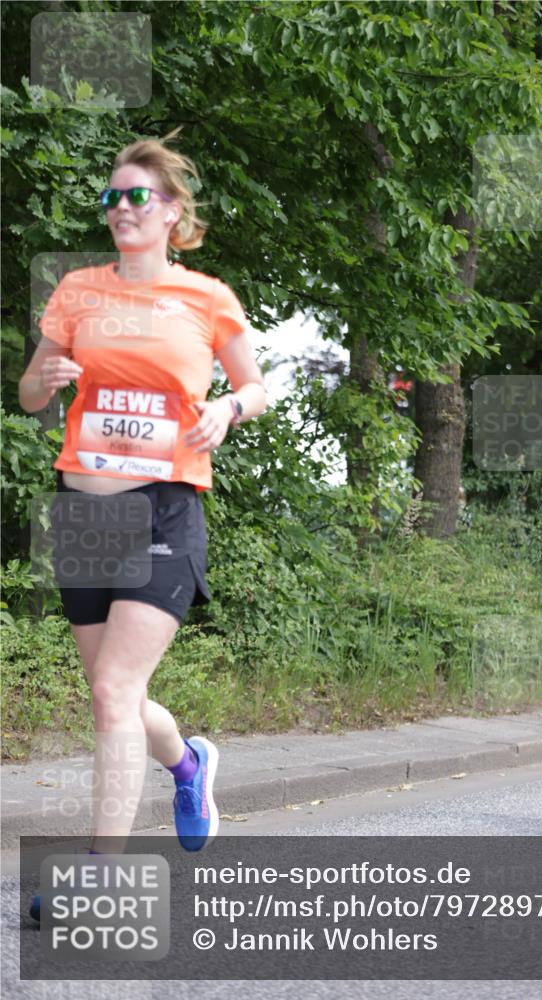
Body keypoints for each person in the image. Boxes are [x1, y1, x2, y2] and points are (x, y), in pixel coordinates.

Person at [18, 128, 267, 922]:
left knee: (116, 688)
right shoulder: (77, 292)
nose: (121, 208)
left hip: (165, 504)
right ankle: (188, 763)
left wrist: (227, 408)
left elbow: (255, 385)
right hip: (84, 508)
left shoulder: (206, 297)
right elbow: (31, 394)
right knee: (109, 692)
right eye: (111, 197)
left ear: (170, 214)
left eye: (137, 197)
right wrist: (44, 376)